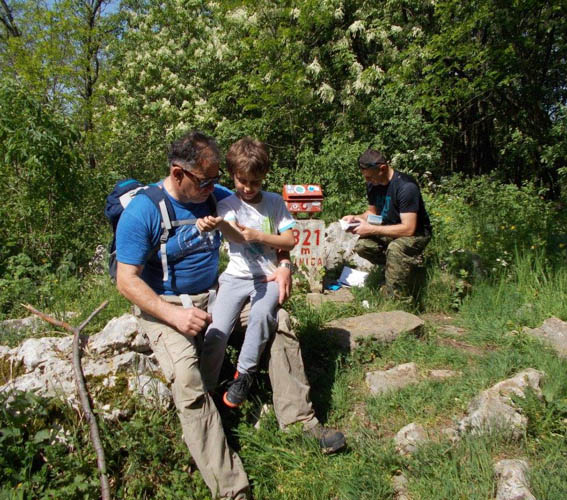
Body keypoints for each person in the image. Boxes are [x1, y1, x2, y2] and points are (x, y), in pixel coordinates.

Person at [115, 131, 345, 500]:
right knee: (187, 379)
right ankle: (231, 489)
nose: (215, 187)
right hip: (166, 305)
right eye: (205, 180)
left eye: (217, 178)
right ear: (178, 174)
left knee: (279, 324)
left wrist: (284, 266)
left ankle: (300, 422)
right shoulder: (143, 211)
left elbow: (271, 228)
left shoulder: (216, 196)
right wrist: (173, 316)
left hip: (218, 293)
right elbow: (126, 280)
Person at [197, 137, 296, 408]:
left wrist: (259, 236)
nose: (248, 188)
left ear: (264, 177)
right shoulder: (228, 205)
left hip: (269, 276)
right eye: (242, 181)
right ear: (232, 175)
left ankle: (245, 373)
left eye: (255, 182)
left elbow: (289, 241)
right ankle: (206, 387)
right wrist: (219, 225)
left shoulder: (275, 203)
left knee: (262, 314)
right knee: (217, 330)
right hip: (235, 277)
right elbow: (234, 235)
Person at [342, 149, 432, 299]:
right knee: (363, 246)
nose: (367, 180)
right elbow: (372, 213)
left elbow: (408, 229)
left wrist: (371, 229)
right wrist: (356, 218)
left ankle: (397, 299)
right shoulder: (373, 185)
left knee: (395, 249)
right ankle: (397, 268)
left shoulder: (406, 187)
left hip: (417, 234)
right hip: (388, 229)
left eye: (369, 177)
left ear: (382, 169)